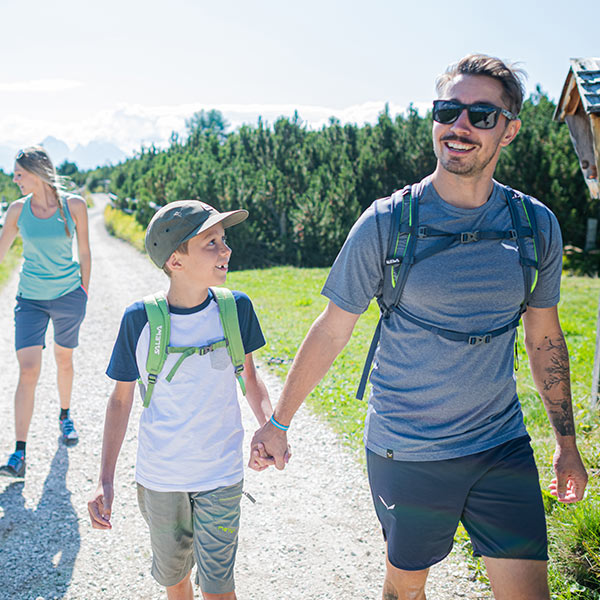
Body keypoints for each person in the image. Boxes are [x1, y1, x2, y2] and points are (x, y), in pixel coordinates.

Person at [250, 54, 588, 600]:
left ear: (510, 131)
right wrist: (279, 423)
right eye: (448, 110)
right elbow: (333, 329)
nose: (460, 126)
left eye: (482, 115)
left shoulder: (534, 224)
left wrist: (565, 442)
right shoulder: (388, 222)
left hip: (500, 444)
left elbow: (544, 336)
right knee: (406, 590)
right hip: (407, 451)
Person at [88, 200, 273, 600]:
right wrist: (105, 479)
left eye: (223, 240)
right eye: (211, 243)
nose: (226, 251)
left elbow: (252, 381)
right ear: (176, 260)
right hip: (161, 479)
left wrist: (271, 427)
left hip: (221, 475)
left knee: (220, 588)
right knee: (176, 582)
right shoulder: (138, 320)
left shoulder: (235, 309)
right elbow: (120, 402)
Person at [0, 145, 91, 479]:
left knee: (64, 359)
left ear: (37, 172)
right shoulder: (16, 210)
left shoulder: (74, 206)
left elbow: (84, 252)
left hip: (68, 296)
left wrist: (83, 292)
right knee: (28, 369)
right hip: (31, 300)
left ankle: (65, 415)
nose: (14, 179)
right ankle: (18, 453)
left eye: (19, 174)